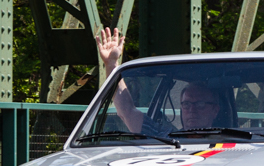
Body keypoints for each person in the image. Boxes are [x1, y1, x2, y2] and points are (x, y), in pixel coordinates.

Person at [94, 27, 229, 135]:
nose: (192, 110)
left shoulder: (231, 144)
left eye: (200, 104)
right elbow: (127, 111)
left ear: (215, 110)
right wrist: (111, 65)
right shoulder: (163, 137)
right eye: (186, 104)